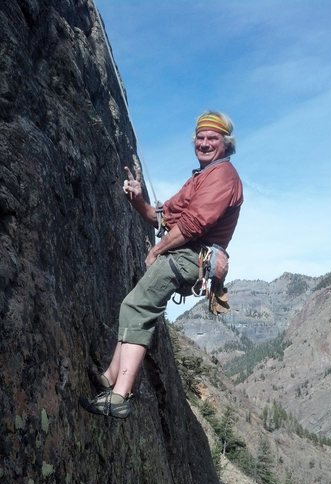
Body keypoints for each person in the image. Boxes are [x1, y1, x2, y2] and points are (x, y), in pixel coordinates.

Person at [80, 111, 243, 419]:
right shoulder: (200, 177)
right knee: (135, 305)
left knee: (137, 307)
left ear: (225, 144)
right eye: (201, 137)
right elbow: (164, 215)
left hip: (190, 256)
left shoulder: (223, 177)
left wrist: (158, 248)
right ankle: (108, 377)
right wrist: (138, 199)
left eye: (213, 138)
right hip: (185, 254)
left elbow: (194, 224)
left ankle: (119, 396)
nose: (205, 143)